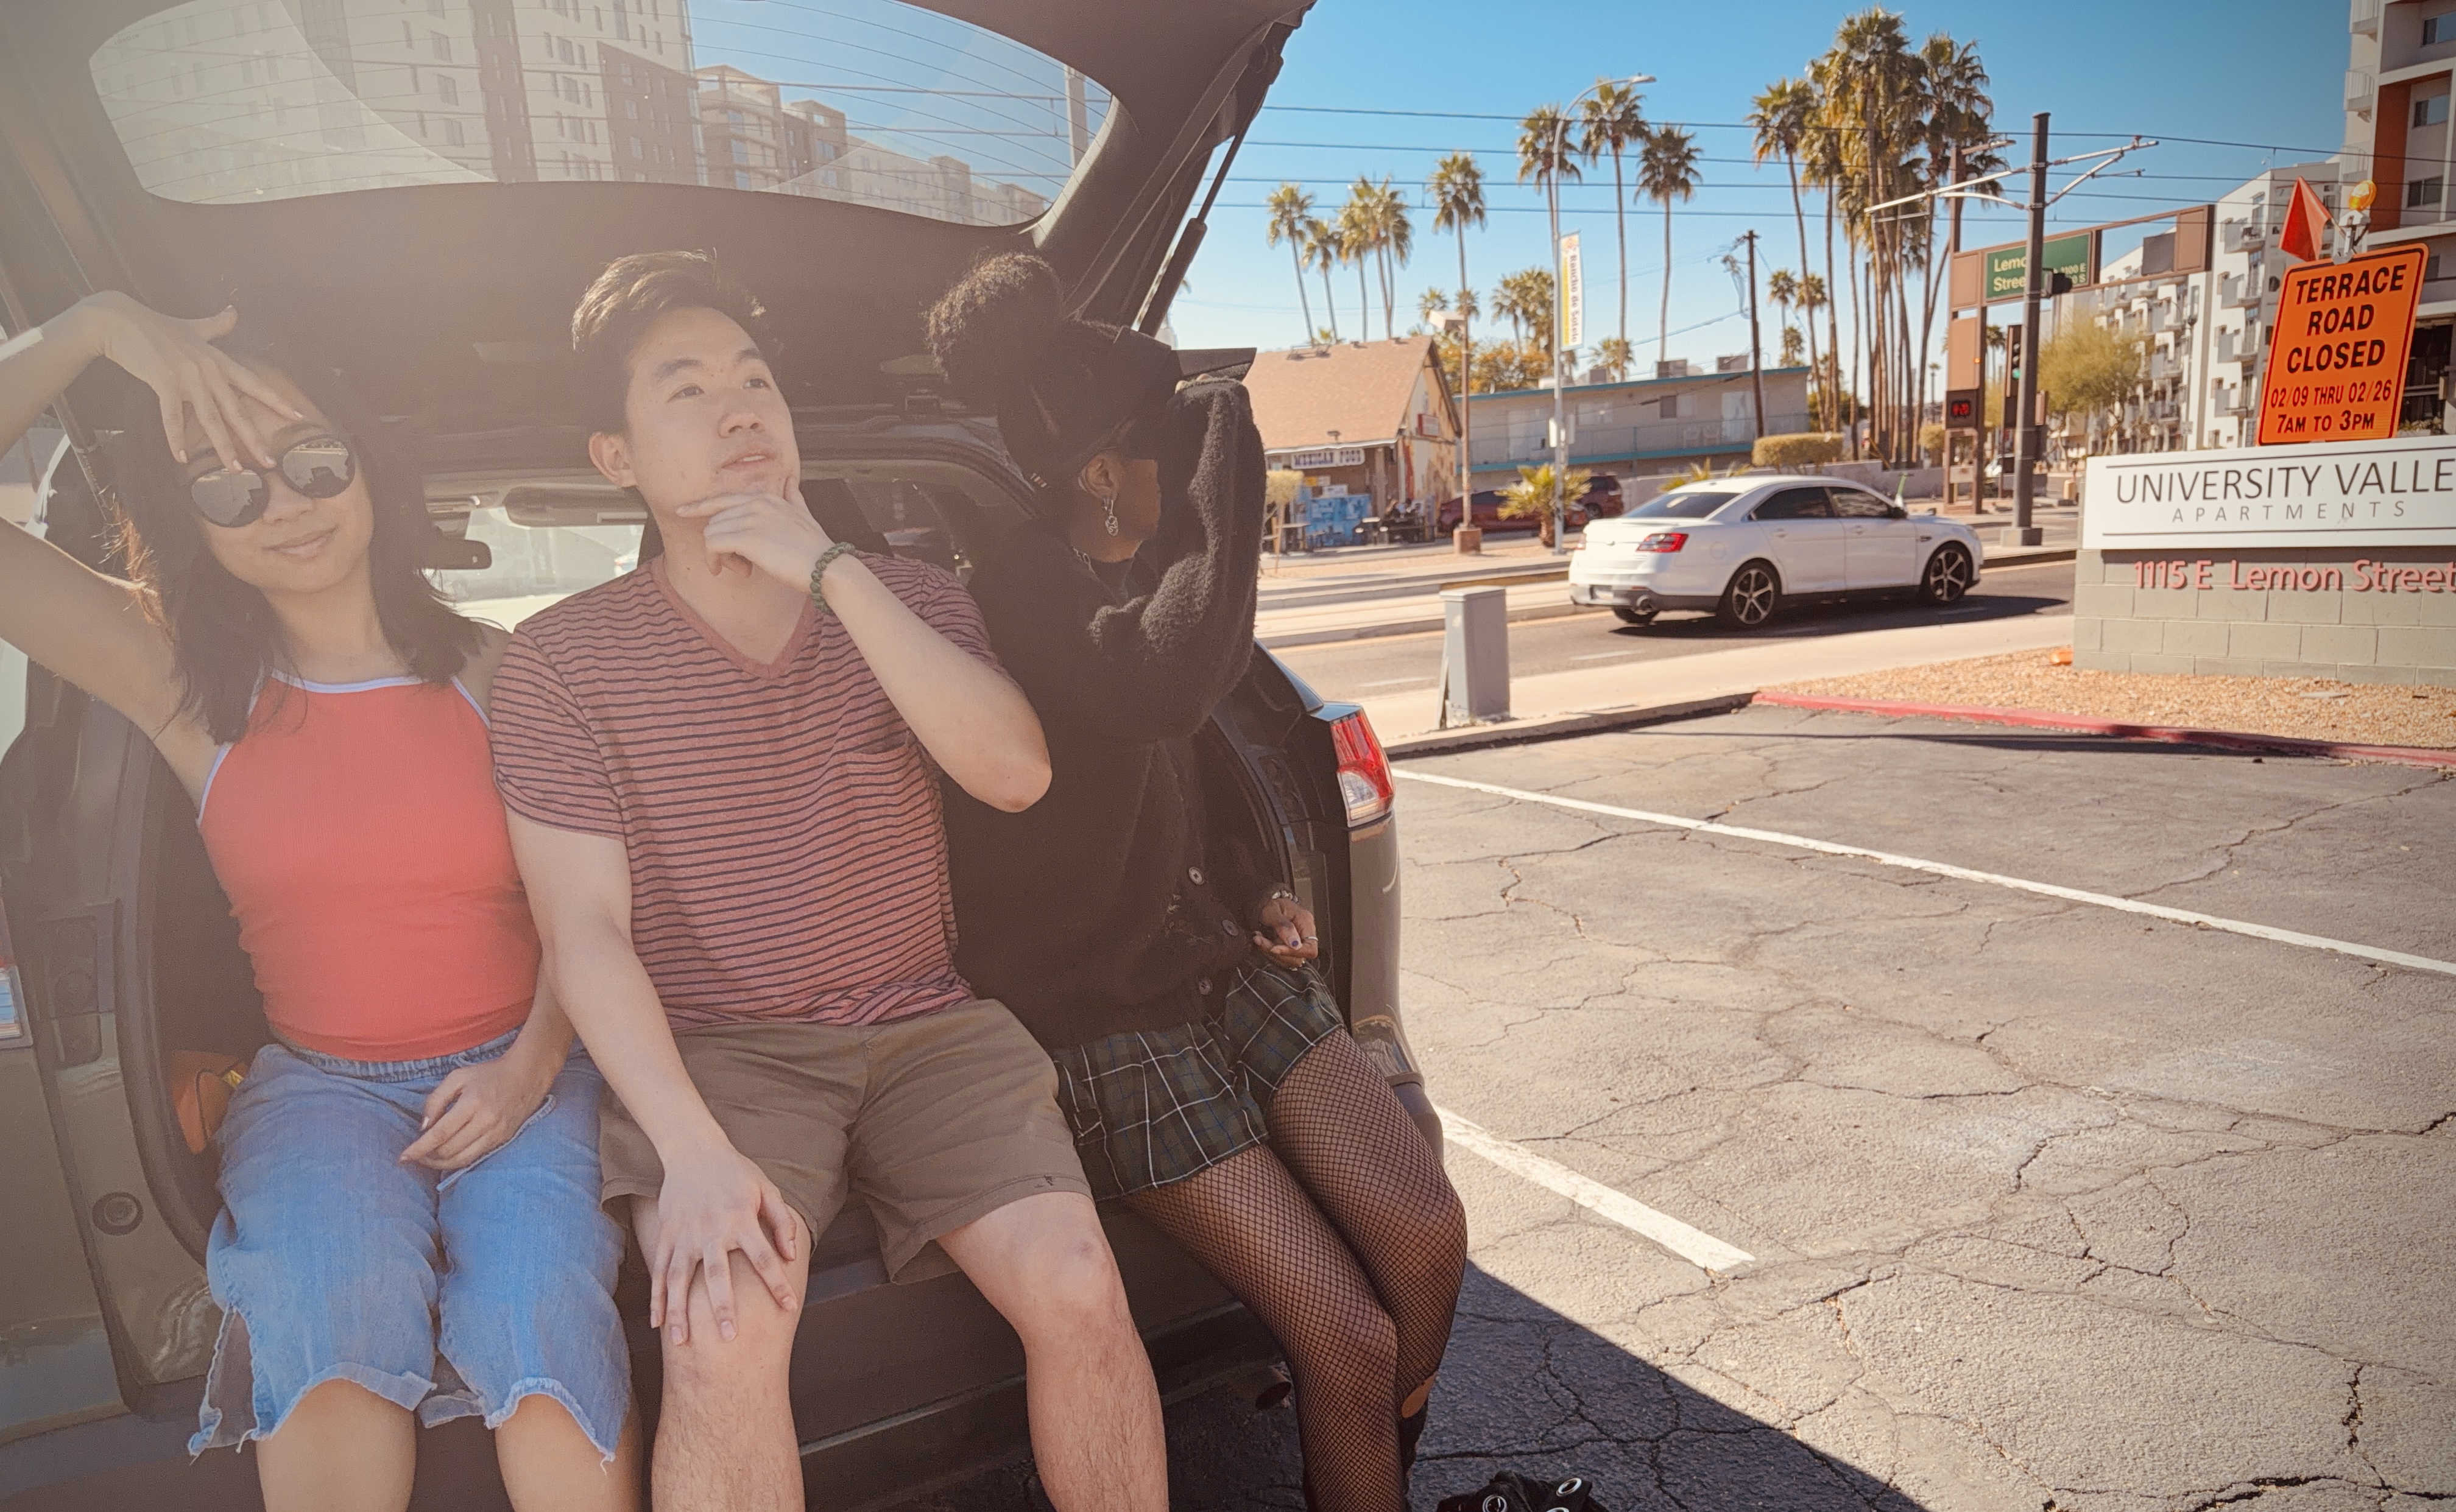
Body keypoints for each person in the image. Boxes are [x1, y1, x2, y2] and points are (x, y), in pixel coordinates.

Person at [490, 251, 1168, 1512]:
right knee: (721, 1328)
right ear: (616, 460)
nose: (741, 407)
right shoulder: (560, 664)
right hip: (722, 1055)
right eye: (685, 389)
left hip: (928, 1028)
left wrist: (834, 572)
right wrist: (689, 1152)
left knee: (1080, 1279)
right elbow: (583, 934)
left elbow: (1015, 772)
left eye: (757, 381)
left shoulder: (910, 601)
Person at [0, 293, 635, 1511]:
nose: (283, 503)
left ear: (364, 463)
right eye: (226, 484)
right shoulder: (178, 682)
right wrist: (93, 332)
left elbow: (586, 910)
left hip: (528, 1064)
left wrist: (528, 1068)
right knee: (318, 1308)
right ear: (193, 522)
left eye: (309, 460)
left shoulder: (501, 672)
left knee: (538, 1312)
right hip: (317, 1092)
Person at [926, 254, 1468, 1512]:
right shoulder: (1014, 585)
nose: (1198, 478)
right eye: (1170, 449)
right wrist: (1229, 433)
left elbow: (1194, 752)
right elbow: (1162, 680)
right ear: (1102, 469)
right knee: (1347, 1336)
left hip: (1211, 961)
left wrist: (1249, 879)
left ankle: (1378, 1470)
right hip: (1103, 1020)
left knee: (1427, 1240)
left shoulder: (1125, 578)